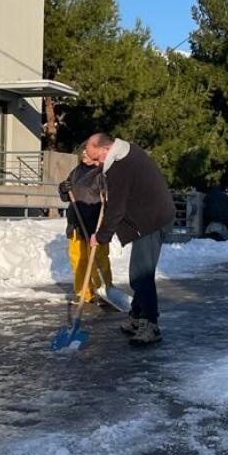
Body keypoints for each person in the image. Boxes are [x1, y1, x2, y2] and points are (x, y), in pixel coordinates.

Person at [84, 132, 175, 346]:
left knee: (141, 274)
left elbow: (116, 209)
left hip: (153, 220)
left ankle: (150, 324)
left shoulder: (120, 167)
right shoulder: (124, 152)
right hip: (150, 217)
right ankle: (136, 317)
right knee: (140, 271)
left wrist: (101, 236)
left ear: (106, 149)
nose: (97, 163)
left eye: (97, 158)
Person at [58, 153, 113, 304]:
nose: (83, 153)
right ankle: (84, 293)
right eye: (83, 151)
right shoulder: (76, 171)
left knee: (99, 260)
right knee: (78, 260)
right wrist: (63, 189)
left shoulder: (103, 173)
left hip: (96, 225)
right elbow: (66, 196)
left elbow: (112, 198)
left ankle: (106, 291)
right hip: (76, 223)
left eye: (87, 152)